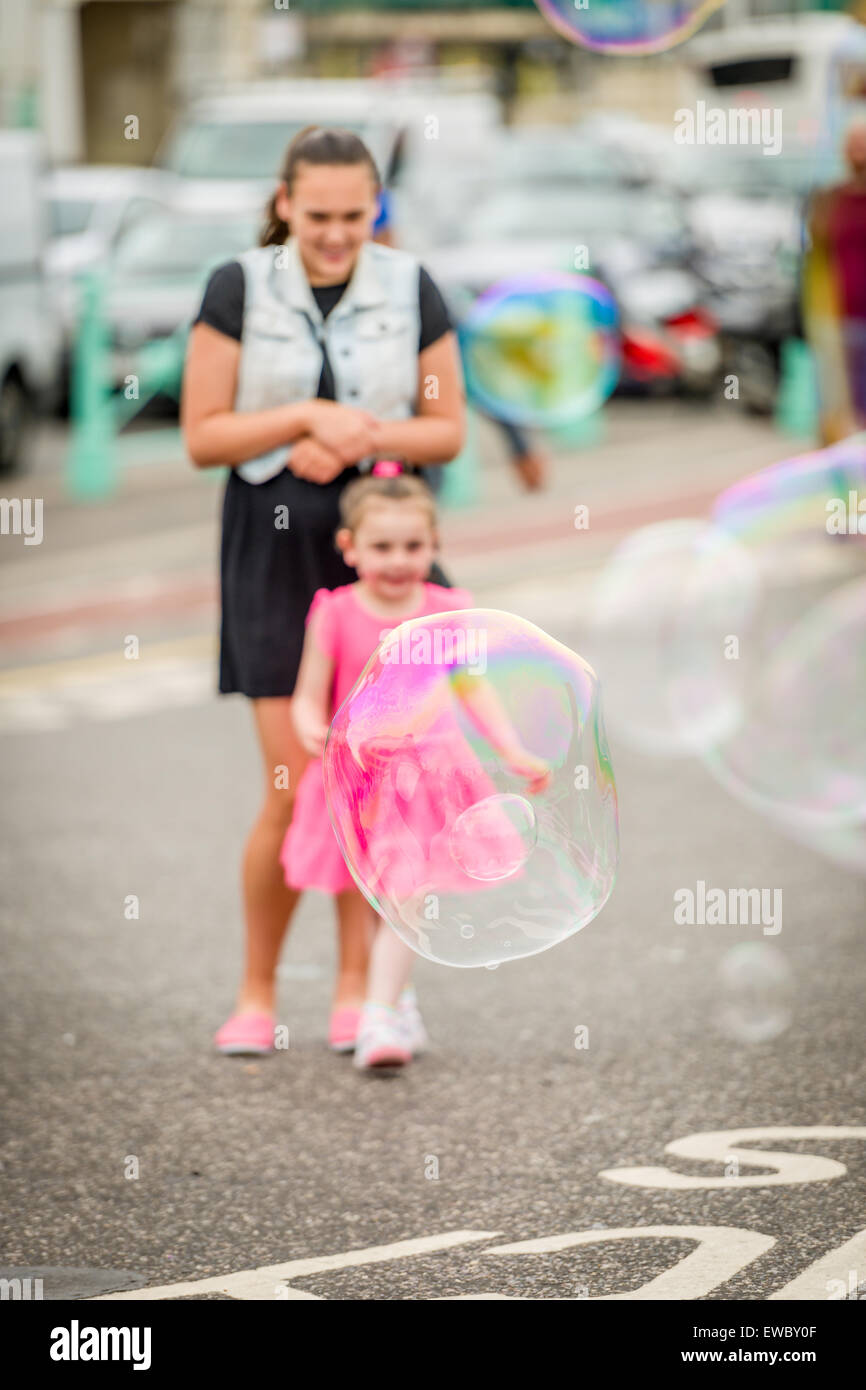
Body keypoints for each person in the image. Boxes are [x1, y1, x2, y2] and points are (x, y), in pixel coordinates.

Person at [180, 126, 465, 1055]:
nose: (337, 235)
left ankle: (358, 992)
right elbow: (203, 435)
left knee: (373, 788)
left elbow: (446, 430)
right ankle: (257, 995)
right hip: (270, 547)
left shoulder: (410, 283)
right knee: (293, 784)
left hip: (375, 550)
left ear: (375, 208)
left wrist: (354, 434)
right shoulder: (237, 285)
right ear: (283, 203)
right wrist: (303, 415)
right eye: (318, 216)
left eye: (355, 216)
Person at [282, 469, 551, 1069]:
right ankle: (398, 1003)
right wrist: (308, 726)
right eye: (381, 547)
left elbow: (474, 691)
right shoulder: (336, 613)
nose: (399, 560)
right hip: (361, 777)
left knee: (406, 890)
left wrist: (512, 751)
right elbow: (308, 694)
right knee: (389, 896)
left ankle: (377, 1016)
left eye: (414, 546)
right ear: (348, 547)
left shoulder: (448, 611)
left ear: (435, 546)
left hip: (429, 777)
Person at [805, 123, 866, 444]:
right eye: (852, 145)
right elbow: (814, 255)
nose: (858, 152)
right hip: (837, 316)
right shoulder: (831, 199)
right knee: (838, 403)